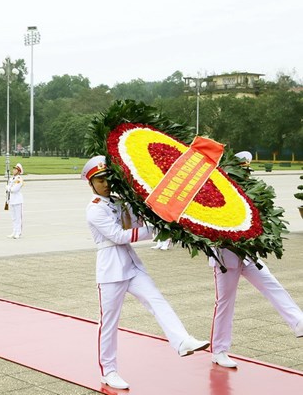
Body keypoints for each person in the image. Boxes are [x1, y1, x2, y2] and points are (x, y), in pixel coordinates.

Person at [83, 155, 209, 390]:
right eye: (99, 180)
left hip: (130, 264)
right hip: (111, 269)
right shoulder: (94, 210)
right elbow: (120, 235)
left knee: (156, 299)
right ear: (91, 183)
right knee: (109, 323)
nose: (105, 184)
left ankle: (181, 340)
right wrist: (156, 230)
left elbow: (137, 219)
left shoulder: (119, 201)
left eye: (108, 178)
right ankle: (108, 371)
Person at [209, 151, 303, 368]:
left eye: (248, 170)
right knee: (225, 304)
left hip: (249, 255)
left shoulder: (251, 192)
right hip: (226, 257)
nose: (247, 174)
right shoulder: (220, 192)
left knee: (272, 285)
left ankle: (298, 322)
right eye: (244, 170)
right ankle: (219, 351)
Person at [6, 162, 24, 239]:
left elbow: (14, 189)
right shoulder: (11, 178)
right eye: (13, 169)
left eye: (15, 169)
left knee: (18, 217)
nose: (13, 170)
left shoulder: (19, 179)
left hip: (17, 200)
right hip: (11, 200)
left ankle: (18, 232)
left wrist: (8, 188)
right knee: (13, 217)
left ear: (19, 171)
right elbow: (9, 189)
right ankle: (14, 231)